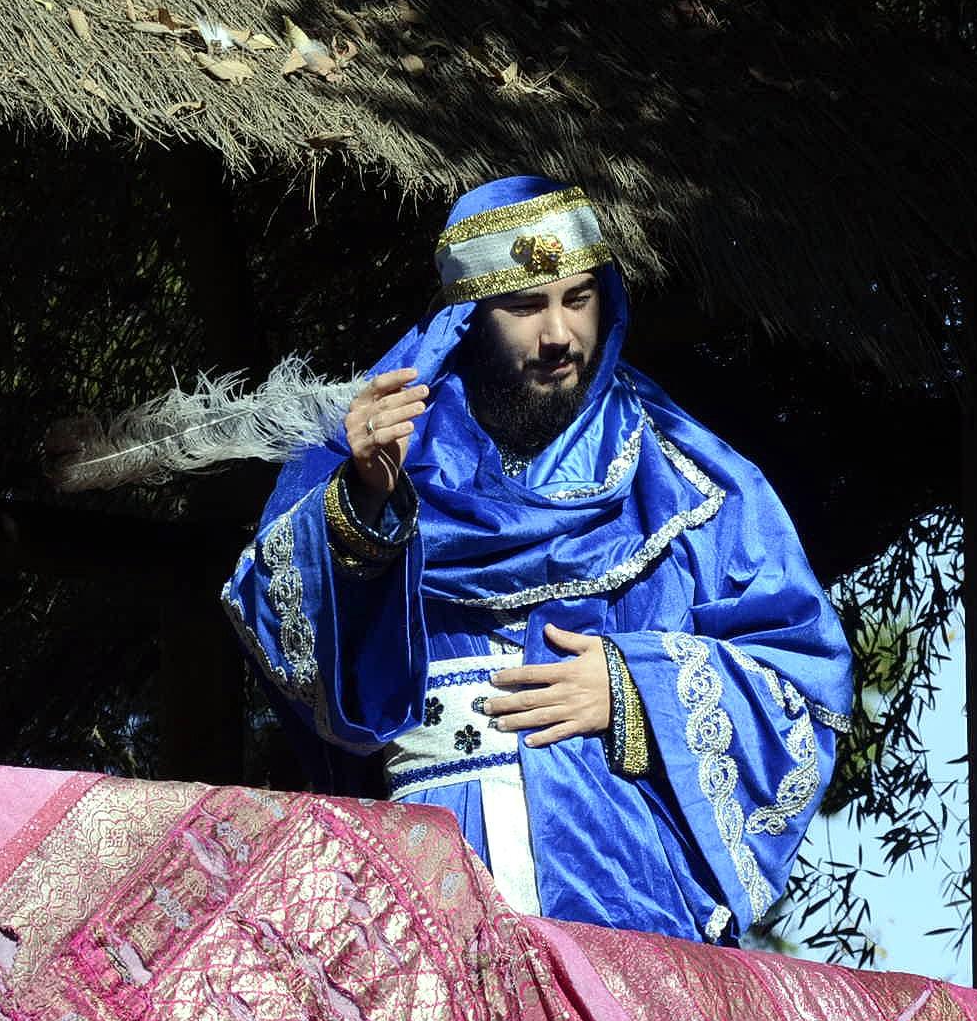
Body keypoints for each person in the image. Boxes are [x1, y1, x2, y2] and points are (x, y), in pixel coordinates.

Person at [222, 176, 853, 943]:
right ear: (469, 318)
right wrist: (363, 506)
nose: (559, 334)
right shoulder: (371, 448)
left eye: (578, 298)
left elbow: (805, 677)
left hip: (622, 884)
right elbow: (294, 653)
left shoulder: (692, 480)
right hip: (418, 879)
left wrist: (637, 690)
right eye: (526, 306)